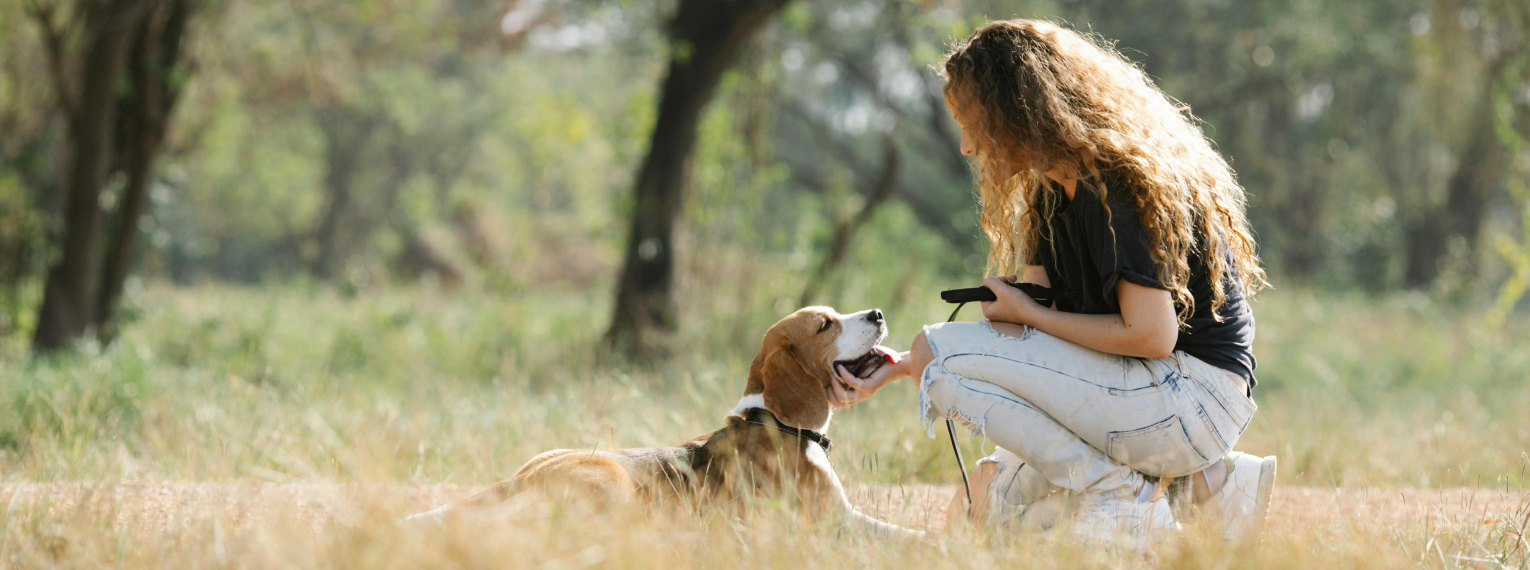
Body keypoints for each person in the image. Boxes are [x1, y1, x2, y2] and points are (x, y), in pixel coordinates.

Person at [825, 19, 1276, 546]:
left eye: (974, 122)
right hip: (1145, 390)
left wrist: (1020, 318)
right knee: (983, 507)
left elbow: (1153, 336)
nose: (968, 146)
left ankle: (1125, 500)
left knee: (939, 353)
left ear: (1019, 111)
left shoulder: (1120, 185)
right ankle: (1213, 488)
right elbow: (1034, 338)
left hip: (1194, 398)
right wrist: (905, 366)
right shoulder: (1049, 194)